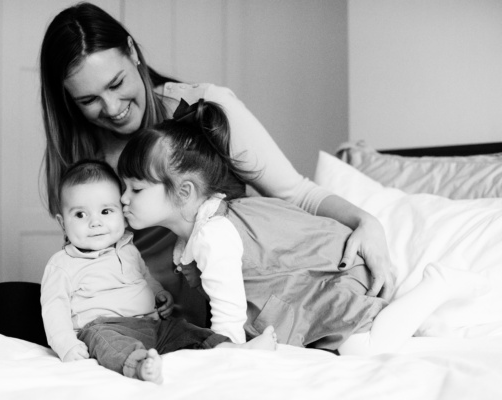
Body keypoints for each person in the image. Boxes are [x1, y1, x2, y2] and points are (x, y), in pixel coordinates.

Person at [36, 2, 394, 328]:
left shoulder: (204, 109)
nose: (112, 108)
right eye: (89, 100)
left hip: (217, 306)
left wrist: (367, 222)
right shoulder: (82, 157)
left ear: (132, 52)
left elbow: (295, 192)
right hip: (133, 310)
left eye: (116, 83)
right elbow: (85, 252)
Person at [116, 99, 487, 353]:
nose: (123, 200)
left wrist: (218, 354)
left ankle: (439, 285)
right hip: (304, 288)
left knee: (360, 350)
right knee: (352, 346)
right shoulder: (199, 233)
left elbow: (227, 322)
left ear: (183, 191)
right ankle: (416, 321)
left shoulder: (214, 236)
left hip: (331, 277)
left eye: (135, 188)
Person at [41, 159, 277, 384]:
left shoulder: (128, 249)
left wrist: (159, 293)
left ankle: (233, 349)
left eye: (106, 211)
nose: (95, 222)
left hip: (150, 324)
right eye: (81, 214)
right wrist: (66, 345)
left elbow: (144, 277)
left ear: (122, 215)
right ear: (63, 223)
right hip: (101, 326)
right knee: (107, 342)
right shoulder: (63, 264)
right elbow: (54, 308)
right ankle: (140, 366)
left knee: (184, 330)